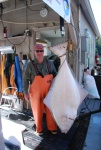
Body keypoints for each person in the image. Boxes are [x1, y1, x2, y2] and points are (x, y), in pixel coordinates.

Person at [23, 43, 57, 135]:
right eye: (37, 51)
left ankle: (52, 128)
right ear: (34, 52)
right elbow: (25, 79)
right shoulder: (30, 65)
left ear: (43, 52)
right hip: (36, 92)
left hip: (49, 91)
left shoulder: (50, 63)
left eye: (41, 51)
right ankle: (39, 129)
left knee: (50, 110)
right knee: (37, 111)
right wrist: (25, 92)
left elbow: (55, 75)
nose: (39, 53)